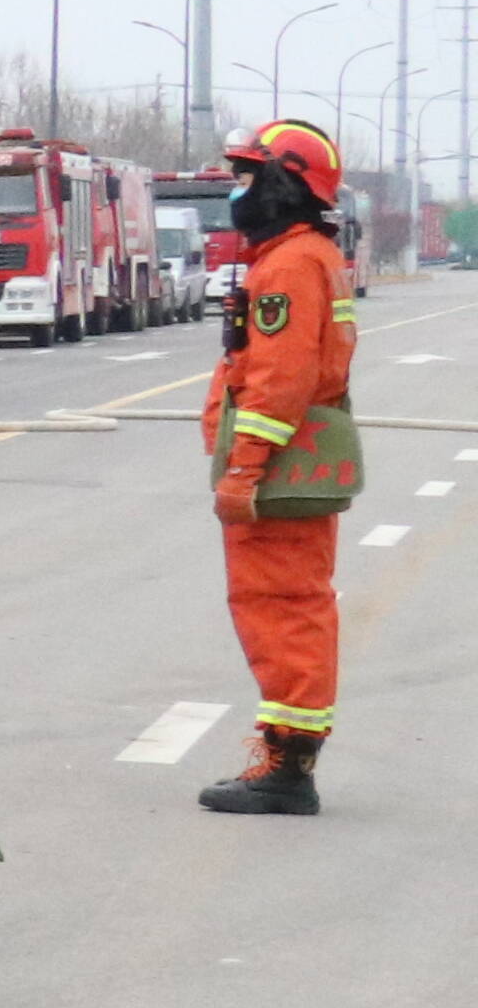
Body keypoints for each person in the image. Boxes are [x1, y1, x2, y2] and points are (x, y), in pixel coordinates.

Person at [195, 115, 359, 814]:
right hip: (289, 466)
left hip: (279, 474)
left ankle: (288, 766)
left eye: (244, 176)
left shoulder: (292, 264)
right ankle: (287, 752)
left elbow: (281, 379)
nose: (235, 190)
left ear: (280, 185)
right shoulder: (301, 255)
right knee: (287, 606)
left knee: (283, 609)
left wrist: (245, 469)